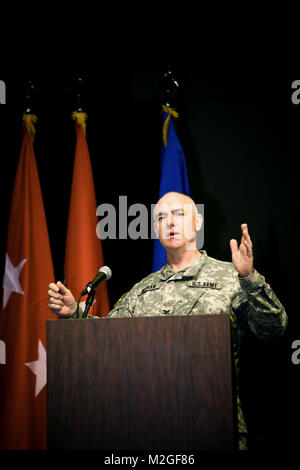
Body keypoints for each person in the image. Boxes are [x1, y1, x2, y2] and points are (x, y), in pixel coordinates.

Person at [48, 191, 288, 450]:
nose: (170, 222)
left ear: (197, 222)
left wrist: (249, 278)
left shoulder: (231, 277)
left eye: (179, 214)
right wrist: (75, 312)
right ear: (155, 229)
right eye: (161, 217)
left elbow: (273, 328)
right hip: (150, 430)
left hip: (214, 427)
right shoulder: (143, 288)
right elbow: (110, 338)